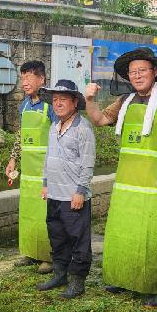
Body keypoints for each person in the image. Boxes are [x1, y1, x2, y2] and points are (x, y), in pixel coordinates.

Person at [83, 47, 157, 307]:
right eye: (132, 72)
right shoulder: (124, 102)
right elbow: (98, 120)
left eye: (142, 70)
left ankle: (155, 285)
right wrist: (89, 100)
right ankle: (122, 278)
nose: (137, 75)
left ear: (155, 72)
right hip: (127, 183)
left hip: (154, 184)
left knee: (153, 235)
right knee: (122, 233)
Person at [35, 80, 96, 299]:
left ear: (74, 102)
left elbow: (88, 163)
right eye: (55, 100)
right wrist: (45, 183)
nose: (58, 104)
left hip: (73, 196)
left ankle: (78, 281)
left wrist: (80, 191)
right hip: (54, 194)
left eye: (63, 100)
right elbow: (49, 158)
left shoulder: (83, 128)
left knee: (78, 239)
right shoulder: (54, 126)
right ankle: (60, 274)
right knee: (57, 236)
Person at [6, 61, 58, 274]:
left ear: (42, 79)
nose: (25, 82)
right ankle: (30, 252)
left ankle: (48, 256)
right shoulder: (23, 106)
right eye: (23, 78)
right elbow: (20, 136)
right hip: (28, 174)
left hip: (47, 174)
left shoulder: (52, 106)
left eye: (29, 77)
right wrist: (13, 159)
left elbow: (59, 136)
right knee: (28, 213)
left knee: (47, 215)